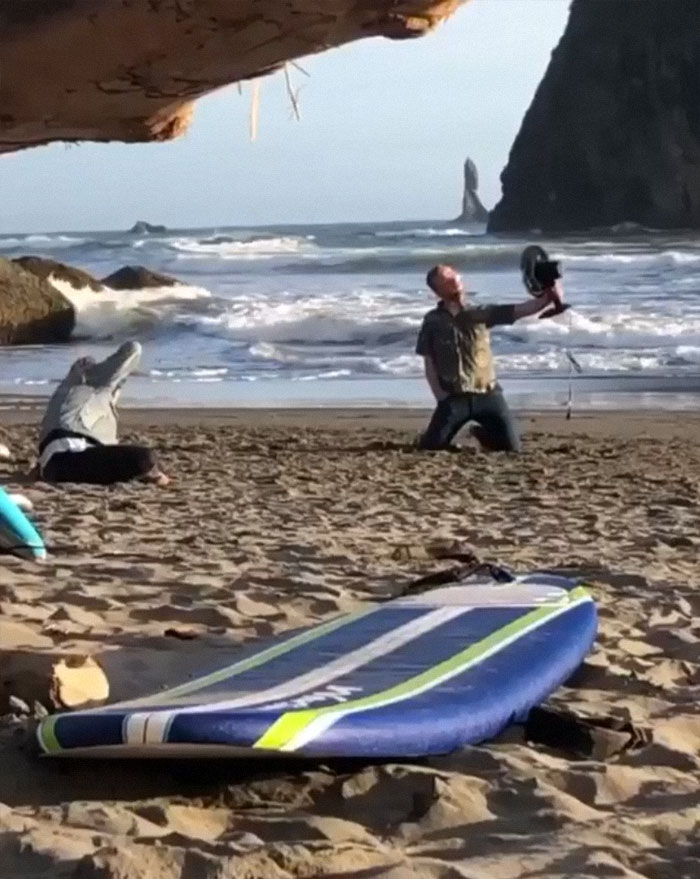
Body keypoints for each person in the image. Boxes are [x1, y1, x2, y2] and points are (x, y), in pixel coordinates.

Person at [415, 264, 563, 452]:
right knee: (431, 448)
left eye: (455, 275)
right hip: (454, 397)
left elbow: (528, 308)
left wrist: (551, 289)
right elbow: (428, 360)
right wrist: (440, 396)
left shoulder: (480, 312)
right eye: (447, 279)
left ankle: (481, 433)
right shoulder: (433, 321)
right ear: (437, 290)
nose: (454, 280)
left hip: (488, 395)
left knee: (512, 449)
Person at [37, 341, 169, 485]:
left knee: (142, 460)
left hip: (58, 464)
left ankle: (146, 475)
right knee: (145, 458)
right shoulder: (86, 383)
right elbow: (133, 349)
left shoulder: (80, 398)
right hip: (68, 455)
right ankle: (148, 475)